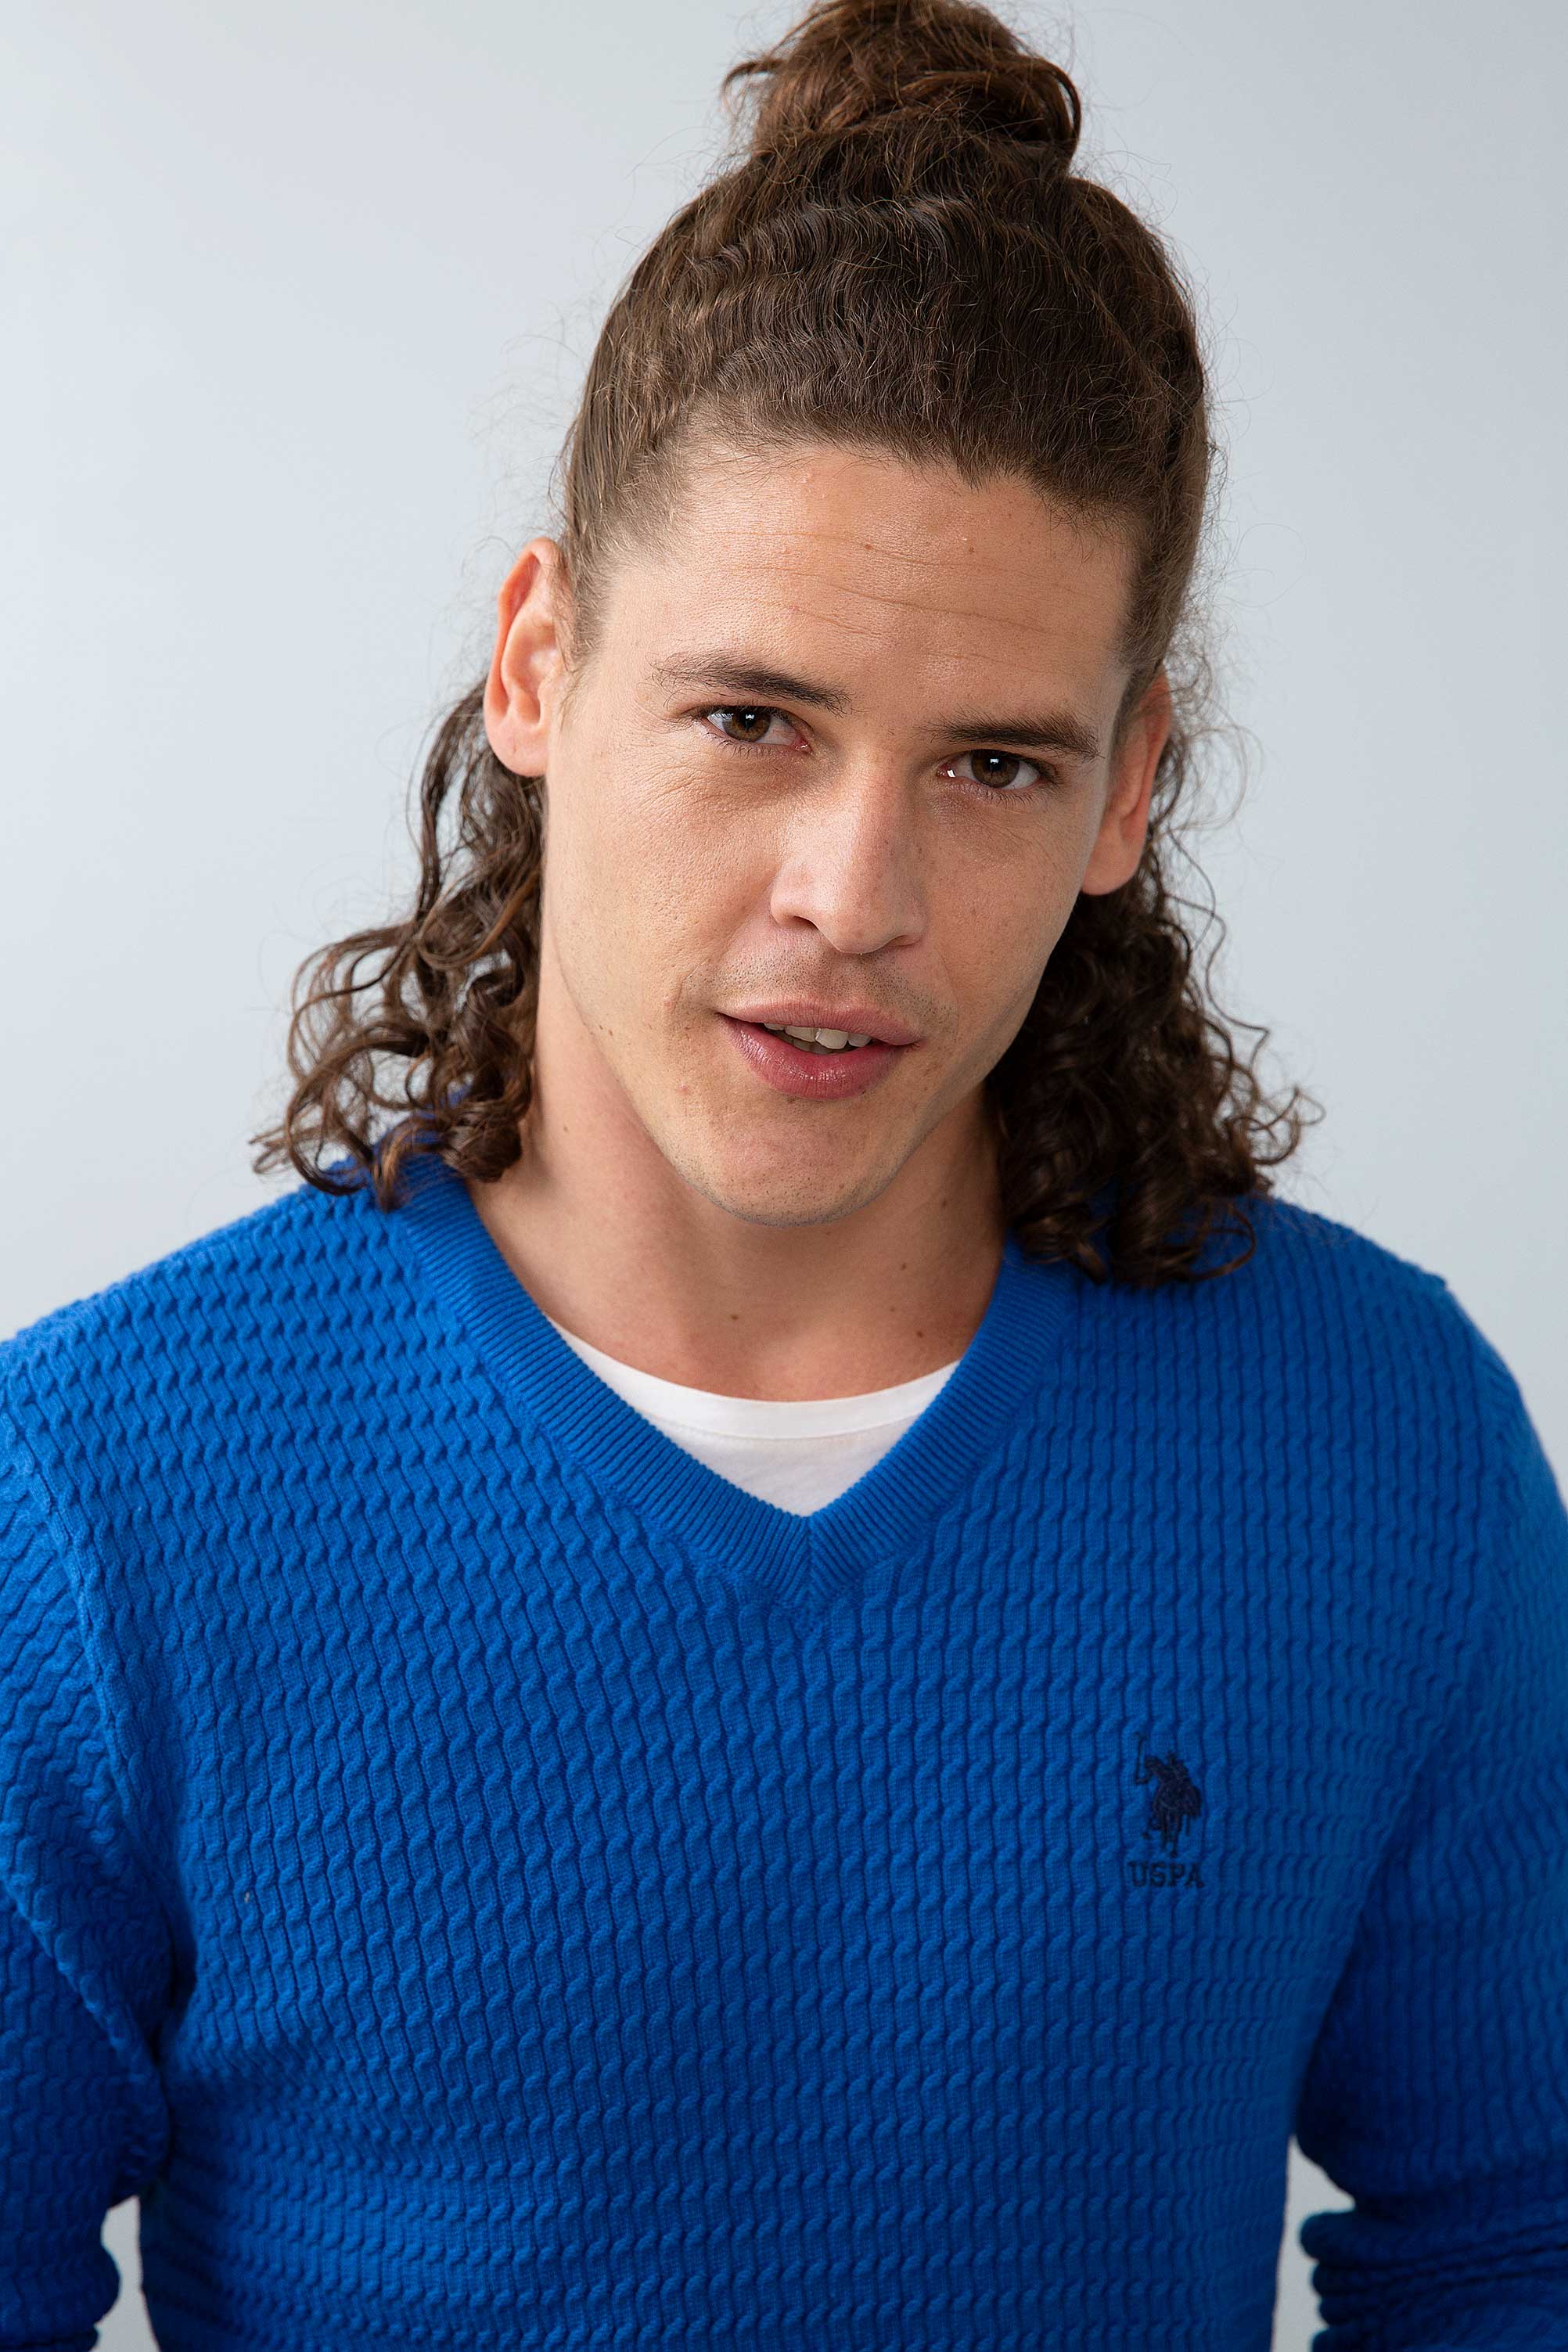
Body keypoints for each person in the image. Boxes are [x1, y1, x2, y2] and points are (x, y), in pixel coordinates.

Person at [3, 0, 1566, 2343]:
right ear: (538, 664)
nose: (854, 896)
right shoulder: (103, 1498)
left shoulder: (1383, 1444)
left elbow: (1520, 2241)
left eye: (994, 768)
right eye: (752, 719)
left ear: (1131, 785)